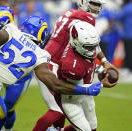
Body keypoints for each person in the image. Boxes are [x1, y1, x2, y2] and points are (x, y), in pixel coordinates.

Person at [0, 12, 103, 130]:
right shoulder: (41, 55)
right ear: (43, 35)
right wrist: (85, 89)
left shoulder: (12, 31)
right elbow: (55, 84)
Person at [33, 0, 119, 130]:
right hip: (53, 63)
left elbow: (90, 43)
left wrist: (104, 62)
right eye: (93, 3)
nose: (96, 7)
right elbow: (89, 44)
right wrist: (102, 63)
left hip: (48, 58)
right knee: (58, 109)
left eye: (98, 5)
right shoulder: (86, 18)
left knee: (64, 111)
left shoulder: (69, 12)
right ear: (83, 2)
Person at [49, 20, 101, 131]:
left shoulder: (80, 46)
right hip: (69, 98)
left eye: (94, 46)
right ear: (76, 43)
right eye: (89, 47)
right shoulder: (71, 65)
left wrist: (101, 67)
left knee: (93, 127)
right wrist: (94, 87)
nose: (92, 50)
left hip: (84, 92)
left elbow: (88, 66)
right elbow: (67, 88)